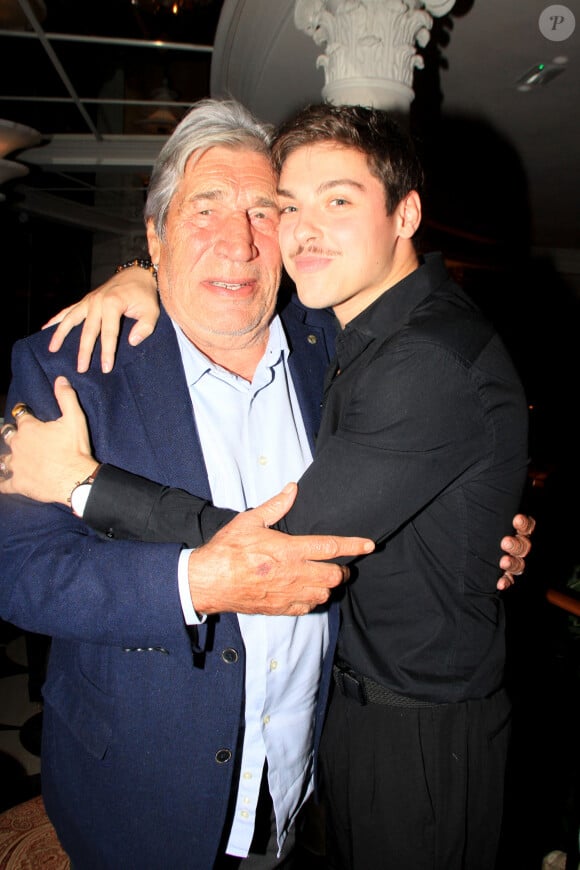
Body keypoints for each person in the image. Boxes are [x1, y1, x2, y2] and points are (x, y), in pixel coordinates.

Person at [0, 100, 532, 869]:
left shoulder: (330, 342)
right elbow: (17, 570)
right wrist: (191, 584)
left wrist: (472, 529)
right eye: (204, 210)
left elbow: (397, 476)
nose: (238, 242)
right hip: (146, 799)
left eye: (262, 210)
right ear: (154, 236)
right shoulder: (74, 366)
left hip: (311, 778)